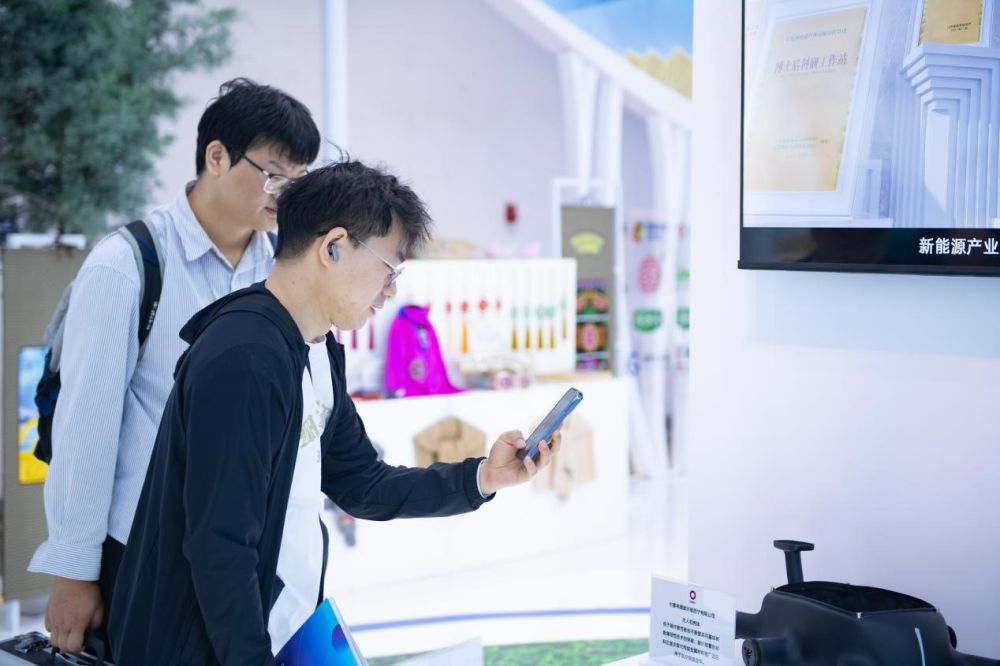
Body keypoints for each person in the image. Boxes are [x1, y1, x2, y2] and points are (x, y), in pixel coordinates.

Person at [108, 160, 561, 664]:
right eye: (389, 270)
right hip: (201, 649)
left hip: (285, 632)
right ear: (333, 247)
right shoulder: (245, 358)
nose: (390, 291)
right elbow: (220, 544)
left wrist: (482, 477)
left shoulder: (317, 349)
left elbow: (363, 482)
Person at [28, 78, 320, 654]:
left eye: (298, 180)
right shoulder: (128, 264)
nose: (285, 195)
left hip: (243, 558)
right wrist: (74, 575)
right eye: (274, 175)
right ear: (216, 157)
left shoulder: (281, 271)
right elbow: (85, 431)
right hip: (143, 554)